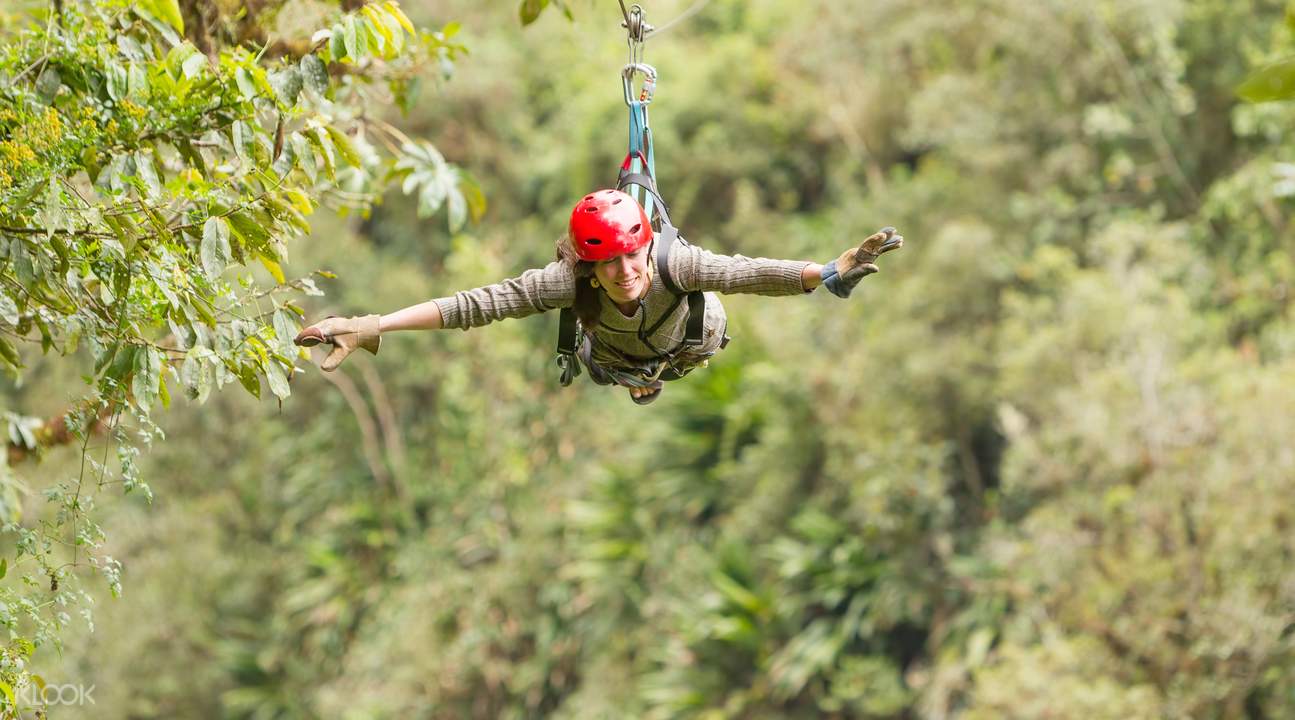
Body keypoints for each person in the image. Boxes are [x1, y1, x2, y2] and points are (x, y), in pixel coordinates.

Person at [294, 189, 903, 404]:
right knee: (595, 360)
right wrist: (372, 324)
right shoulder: (570, 283)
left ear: (645, 247)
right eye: (606, 265)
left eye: (629, 258)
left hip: (690, 343)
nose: (623, 274)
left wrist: (827, 271)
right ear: (589, 264)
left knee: (712, 306)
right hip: (615, 357)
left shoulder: (674, 265)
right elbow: (472, 306)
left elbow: (747, 272)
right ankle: (633, 375)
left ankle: (650, 372)